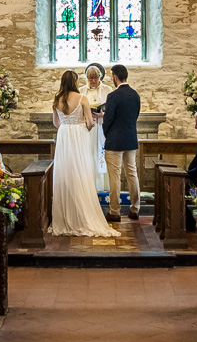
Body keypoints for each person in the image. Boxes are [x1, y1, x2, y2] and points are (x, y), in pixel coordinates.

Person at [49, 71, 118, 238]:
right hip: (79, 137)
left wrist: (67, 127)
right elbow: (90, 122)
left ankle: (65, 217)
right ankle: (82, 215)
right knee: (81, 173)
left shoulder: (57, 100)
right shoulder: (82, 98)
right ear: (74, 82)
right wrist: (80, 127)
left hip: (64, 136)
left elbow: (56, 123)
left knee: (65, 173)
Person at [100, 63, 141, 222]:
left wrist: (107, 134)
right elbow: (135, 116)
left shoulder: (113, 96)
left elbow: (108, 119)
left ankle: (115, 211)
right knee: (132, 173)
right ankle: (135, 209)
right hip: (130, 138)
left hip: (115, 140)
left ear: (115, 77)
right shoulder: (135, 94)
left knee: (115, 176)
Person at [82, 62, 109, 198]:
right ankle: (88, 183)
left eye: (95, 78)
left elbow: (112, 108)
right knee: (88, 153)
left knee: (100, 153)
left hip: (102, 126)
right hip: (87, 127)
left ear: (100, 77)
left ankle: (101, 184)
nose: (93, 81)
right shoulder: (81, 91)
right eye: (90, 78)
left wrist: (103, 114)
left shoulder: (107, 89)